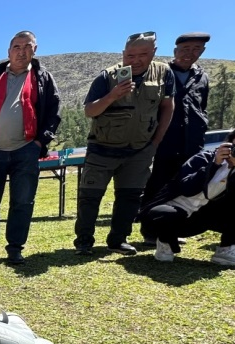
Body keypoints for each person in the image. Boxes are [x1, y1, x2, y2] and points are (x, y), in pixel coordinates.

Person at [74, 32, 175, 255]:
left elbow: (167, 107)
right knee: (90, 197)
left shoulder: (164, 73)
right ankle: (84, 241)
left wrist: (156, 141)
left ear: (154, 53)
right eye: (130, 55)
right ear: (123, 53)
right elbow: (90, 111)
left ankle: (118, 239)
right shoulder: (107, 76)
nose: (135, 60)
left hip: (139, 149)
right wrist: (112, 96)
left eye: (143, 54)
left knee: (130, 197)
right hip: (102, 149)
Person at [0, 31, 62, 265]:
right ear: (8, 52)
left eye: (27, 46)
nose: (21, 52)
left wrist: (40, 142)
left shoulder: (43, 78)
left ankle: (15, 248)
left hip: (26, 149)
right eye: (16, 47)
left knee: (22, 201)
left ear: (34, 50)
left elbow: (54, 112)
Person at [138, 120, 235, 267]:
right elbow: (186, 187)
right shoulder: (204, 158)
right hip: (177, 213)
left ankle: (228, 248)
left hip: (208, 216)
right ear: (229, 141)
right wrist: (214, 165)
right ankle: (166, 241)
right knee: (160, 214)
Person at [141, 33, 212, 244]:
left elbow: (202, 107)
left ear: (202, 51)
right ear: (175, 51)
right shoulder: (161, 73)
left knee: (183, 186)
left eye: (196, 49)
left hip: (192, 142)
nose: (190, 54)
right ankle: (150, 231)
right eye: (185, 49)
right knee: (157, 184)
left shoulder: (202, 77)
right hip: (164, 139)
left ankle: (171, 230)